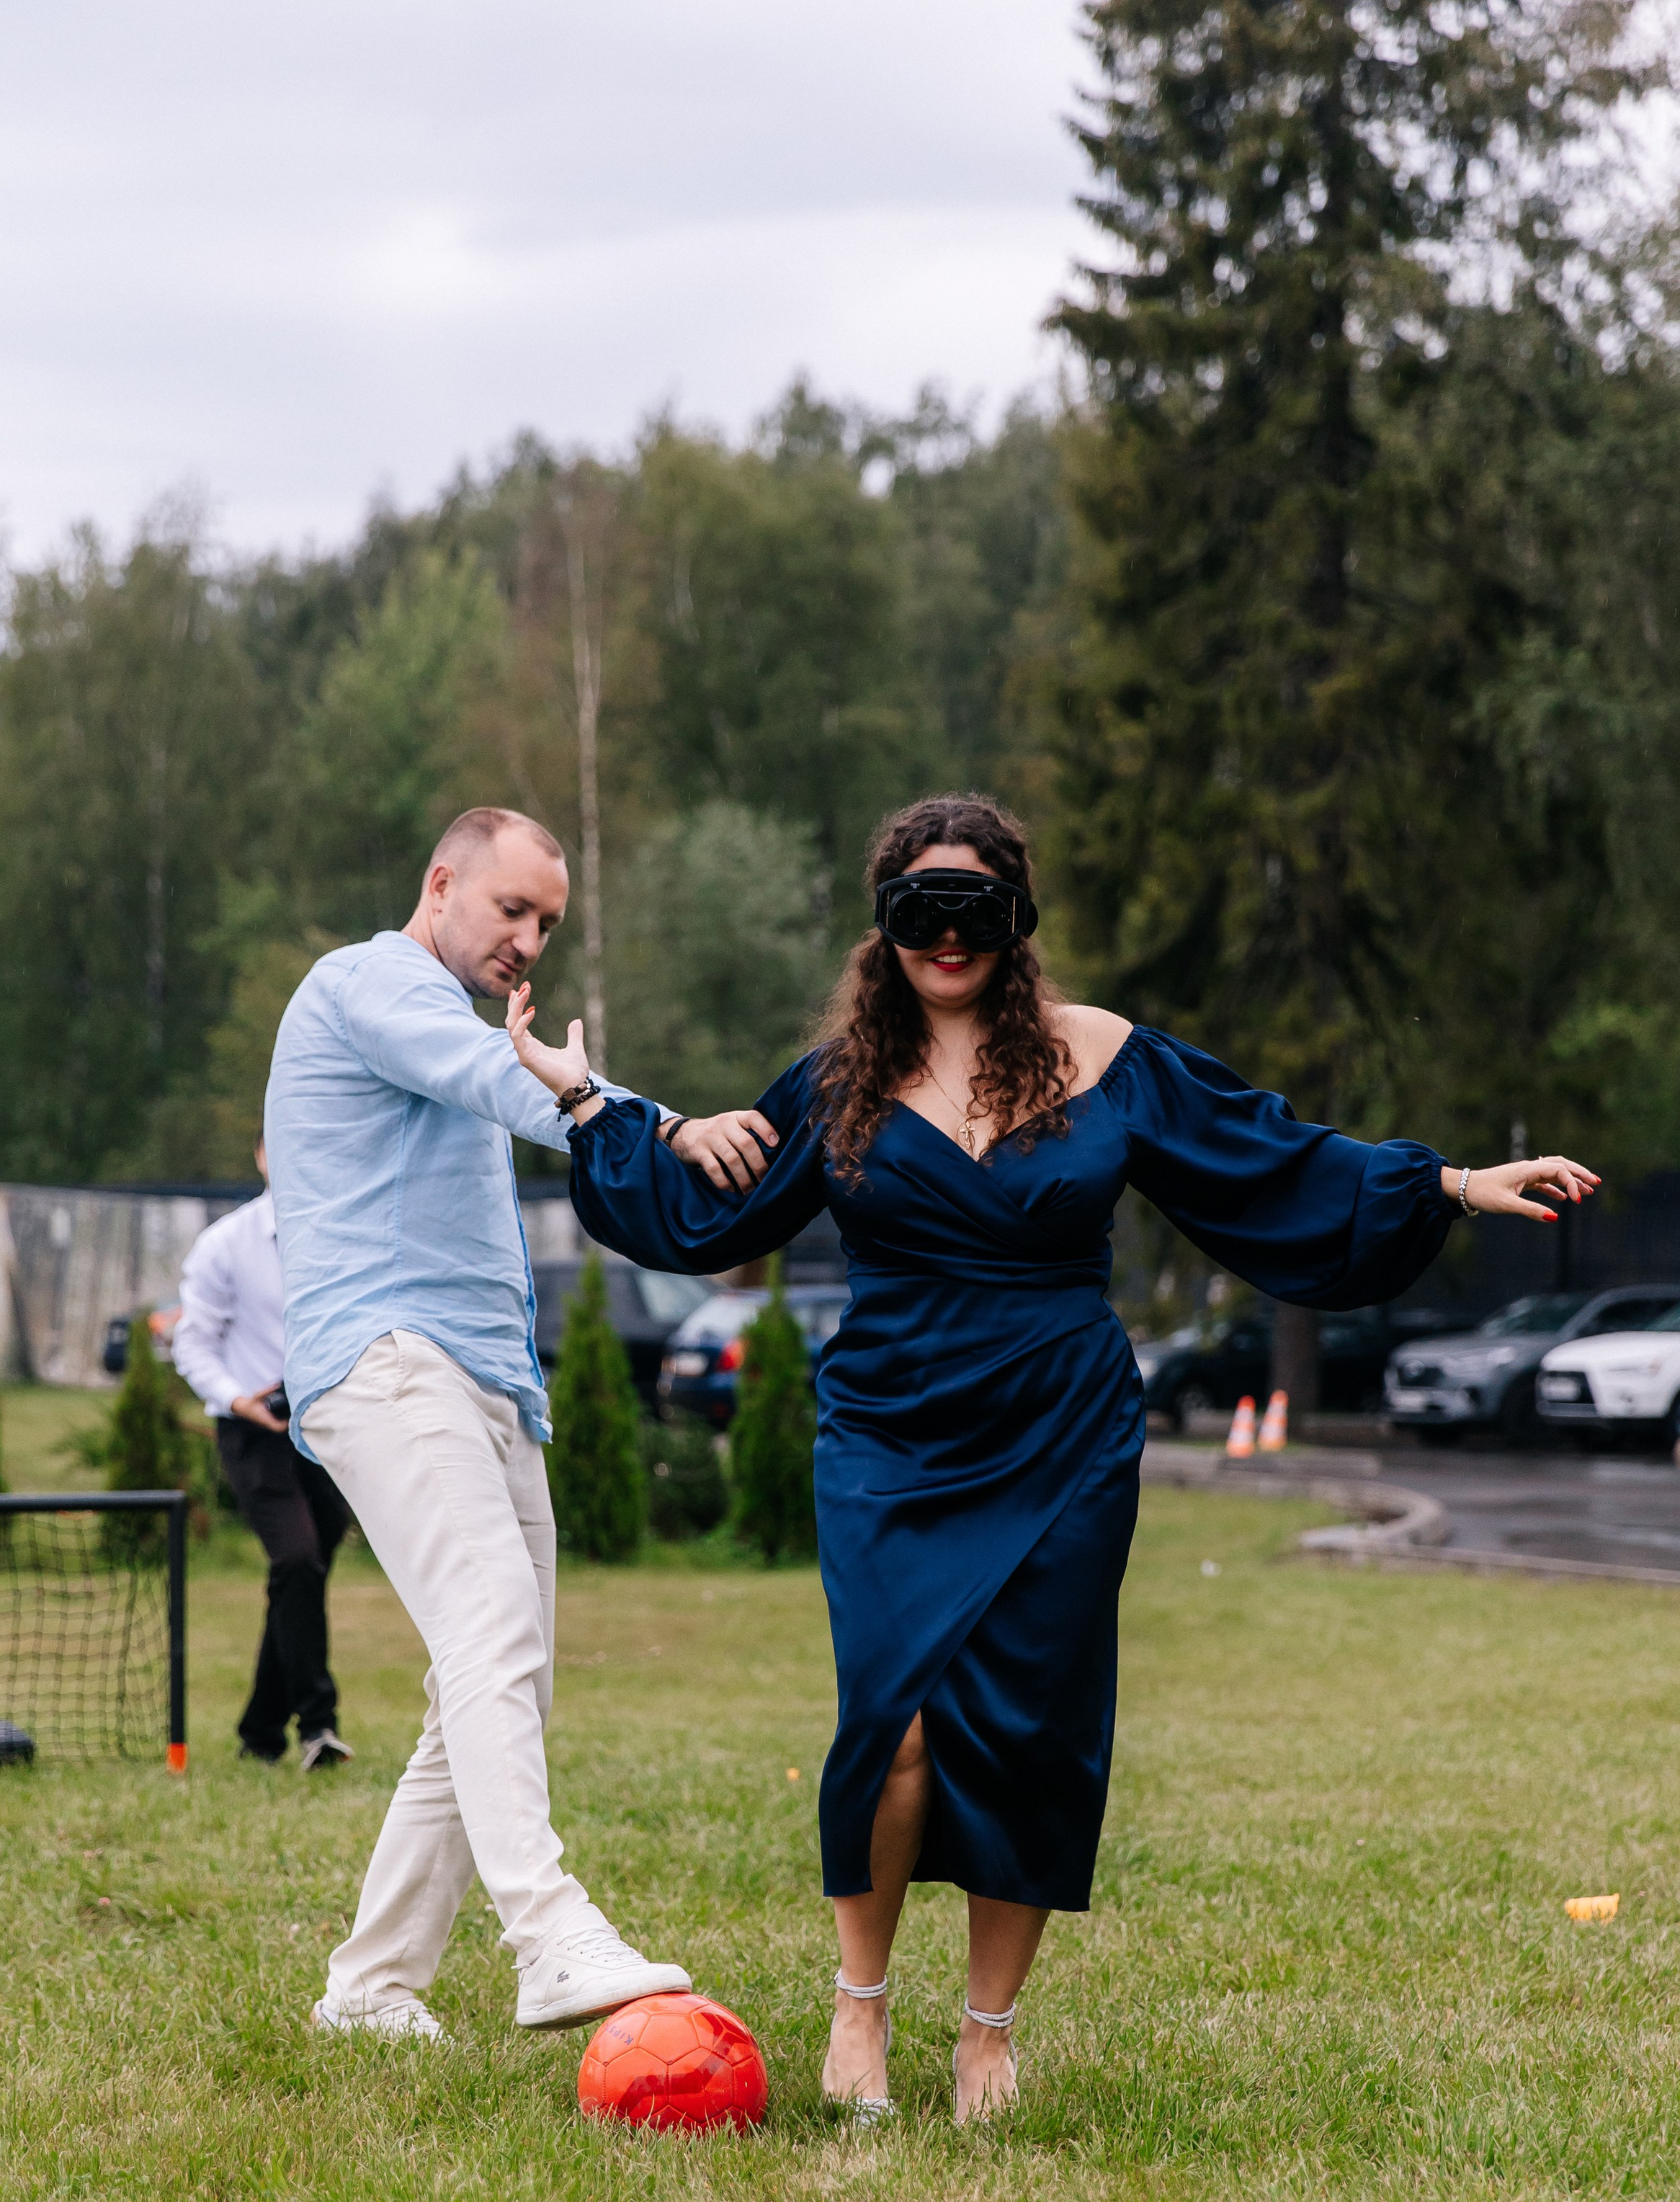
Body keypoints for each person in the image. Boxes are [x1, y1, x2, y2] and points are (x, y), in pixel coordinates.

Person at [506, 791, 1599, 2122]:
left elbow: (1272, 1160)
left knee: (1030, 1729)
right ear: (884, 924)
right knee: (892, 1727)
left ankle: (988, 2032)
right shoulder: (840, 1080)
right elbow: (701, 1207)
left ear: (1016, 919)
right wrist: (590, 1101)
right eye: (921, 910)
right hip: (892, 1432)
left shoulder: (1107, 1056)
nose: (947, 937)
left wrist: (1454, 1185)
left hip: (1064, 1432)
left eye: (975, 910)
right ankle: (861, 2002)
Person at [267, 806, 774, 2043]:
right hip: (391, 1359)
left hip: (487, 1379)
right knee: (491, 1633)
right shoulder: (370, 986)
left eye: (547, 922)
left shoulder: (458, 1017)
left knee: (498, 1682)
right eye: (512, 910)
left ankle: (370, 1990)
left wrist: (666, 1125)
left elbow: (534, 1078)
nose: (530, 941)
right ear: (441, 884)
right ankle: (547, 1937)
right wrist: (652, 1123)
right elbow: (504, 1078)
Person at [174, 1137, 353, 1772]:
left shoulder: (341, 1232)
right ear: (260, 1157)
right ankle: (318, 1725)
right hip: (254, 1430)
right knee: (298, 1560)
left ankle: (259, 1733)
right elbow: (191, 1343)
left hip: (326, 1425)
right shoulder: (227, 1243)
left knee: (302, 1575)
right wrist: (236, 1399)